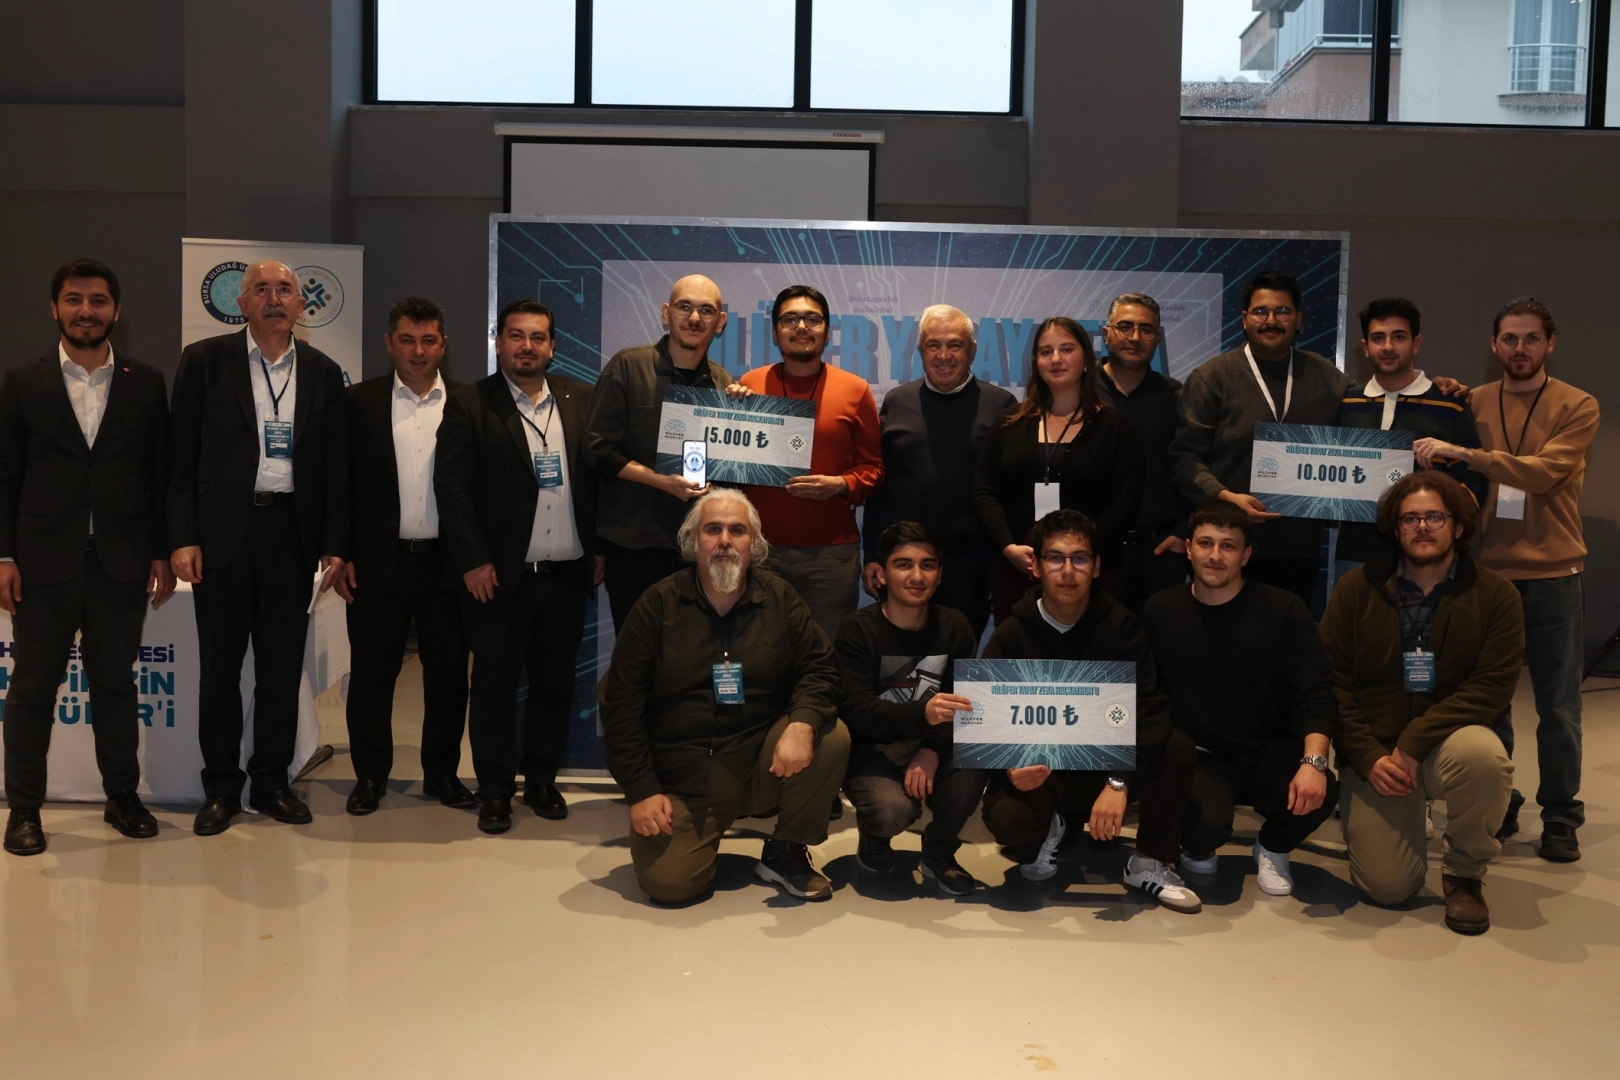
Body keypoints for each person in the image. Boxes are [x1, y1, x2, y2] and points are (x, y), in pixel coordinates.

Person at [1413, 297, 1598, 863]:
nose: (1520, 348)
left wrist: (1468, 453)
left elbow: (1542, 473)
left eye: (1531, 338)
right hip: (1486, 575)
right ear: (1494, 345)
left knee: (1558, 706)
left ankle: (1561, 814)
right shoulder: (1473, 399)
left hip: (1554, 574)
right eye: (1510, 339)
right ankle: (1502, 800)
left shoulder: (1578, 405)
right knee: (1488, 702)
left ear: (1550, 343)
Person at [168, 259, 350, 836]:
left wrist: (335, 543)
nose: (275, 298)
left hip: (291, 537)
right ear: (242, 303)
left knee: (280, 670)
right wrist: (182, 536)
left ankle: (271, 783)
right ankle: (221, 789)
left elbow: (335, 467)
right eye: (262, 289)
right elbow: (179, 457)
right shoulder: (205, 361)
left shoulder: (323, 371)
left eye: (285, 290)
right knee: (220, 670)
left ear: (301, 305)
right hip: (221, 534)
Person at [599, 489, 850, 904]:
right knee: (670, 887)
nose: (725, 541)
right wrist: (641, 791)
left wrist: (802, 725)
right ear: (692, 541)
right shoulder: (657, 604)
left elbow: (820, 668)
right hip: (683, 775)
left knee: (830, 734)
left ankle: (786, 850)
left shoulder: (781, 598)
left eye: (738, 530)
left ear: (755, 543)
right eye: (712, 529)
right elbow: (621, 704)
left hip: (759, 764)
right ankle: (692, 839)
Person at [0, 259, 174, 856]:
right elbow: (6, 474)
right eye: (74, 300)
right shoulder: (21, 380)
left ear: (116, 311)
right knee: (31, 690)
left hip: (121, 563)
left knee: (115, 686)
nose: (86, 311)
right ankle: (24, 808)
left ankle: (122, 797)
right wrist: (4, 556)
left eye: (98, 301)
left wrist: (160, 552)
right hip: (42, 565)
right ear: (54, 308)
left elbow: (159, 475)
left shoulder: (146, 381)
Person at [1321, 472, 1521, 934]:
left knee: (1485, 758)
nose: (1423, 527)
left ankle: (1464, 875)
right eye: (1410, 518)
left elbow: (1492, 685)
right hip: (1376, 756)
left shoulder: (1497, 595)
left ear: (1458, 526)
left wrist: (1414, 743)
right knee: (1388, 888)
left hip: (1447, 746)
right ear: (1395, 529)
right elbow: (1331, 682)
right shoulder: (1356, 589)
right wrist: (1367, 756)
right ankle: (1400, 813)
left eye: (1435, 516)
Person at [979, 509, 1201, 913]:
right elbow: (985, 717)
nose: (1068, 571)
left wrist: (1120, 782)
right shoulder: (1013, 632)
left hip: (1105, 767)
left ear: (1097, 567)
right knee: (1010, 820)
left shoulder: (1123, 627)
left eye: (1079, 558)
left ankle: (1148, 863)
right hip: (1044, 770)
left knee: (1177, 747)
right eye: (1055, 558)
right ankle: (1054, 826)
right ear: (1036, 567)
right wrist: (1009, 765)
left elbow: (1149, 711)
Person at [434, 299, 599, 834]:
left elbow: (596, 481)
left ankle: (542, 780)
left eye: (538, 337)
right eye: (516, 336)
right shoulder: (470, 402)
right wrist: (473, 560)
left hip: (565, 574)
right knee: (494, 688)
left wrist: (598, 547)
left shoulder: (580, 399)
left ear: (553, 346)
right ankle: (495, 789)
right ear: (499, 341)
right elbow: (452, 489)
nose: (527, 346)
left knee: (554, 684)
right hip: (497, 578)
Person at [1140, 502, 1338, 897]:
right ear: (1188, 548)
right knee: (1203, 830)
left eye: (1228, 546)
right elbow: (1147, 696)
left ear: (1246, 555)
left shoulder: (1283, 609)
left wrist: (1314, 762)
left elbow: (1316, 690)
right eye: (1206, 543)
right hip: (1200, 756)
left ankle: (1273, 846)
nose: (1215, 555)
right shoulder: (1161, 610)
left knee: (1323, 790)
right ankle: (1198, 844)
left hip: (1269, 749)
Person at [336, 297, 471, 815]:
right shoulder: (358, 402)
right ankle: (370, 777)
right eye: (408, 340)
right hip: (377, 563)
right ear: (389, 343)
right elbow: (339, 484)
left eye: (428, 340)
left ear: (444, 345)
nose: (418, 351)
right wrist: (339, 553)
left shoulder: (468, 402)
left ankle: (442, 775)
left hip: (448, 565)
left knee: (448, 677)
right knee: (372, 676)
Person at [1170, 271, 1352, 609]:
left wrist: (1435, 387)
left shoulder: (1329, 380)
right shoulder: (1211, 378)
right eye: (1260, 312)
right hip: (1225, 543)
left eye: (1282, 311)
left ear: (1298, 320)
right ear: (1244, 320)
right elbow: (1185, 458)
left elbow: (1372, 416)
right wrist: (1224, 497)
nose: (1271, 321)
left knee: (1284, 636)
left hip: (1298, 548)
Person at [835, 521, 986, 894]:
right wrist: (923, 714)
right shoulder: (857, 629)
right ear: (881, 574)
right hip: (874, 747)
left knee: (977, 760)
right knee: (891, 812)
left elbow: (964, 705)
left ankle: (939, 851)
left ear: (939, 575)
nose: (917, 576)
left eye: (927, 565)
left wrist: (930, 748)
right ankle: (875, 834)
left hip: (933, 742)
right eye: (903, 565)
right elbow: (855, 710)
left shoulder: (955, 627)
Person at [584, 275, 734, 630]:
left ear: (720, 322)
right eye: (684, 307)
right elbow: (596, 449)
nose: (694, 317)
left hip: (698, 550)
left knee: (693, 652)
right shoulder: (628, 366)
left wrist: (745, 415)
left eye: (706, 310)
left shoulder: (725, 385)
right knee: (638, 651)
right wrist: (660, 481)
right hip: (635, 546)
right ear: (667, 314)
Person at [973, 317, 1144, 626]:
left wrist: (1080, 556)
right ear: (1035, 361)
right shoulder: (1008, 422)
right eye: (1045, 351)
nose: (1055, 359)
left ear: (1086, 358)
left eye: (1066, 349)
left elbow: (1125, 500)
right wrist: (1008, 547)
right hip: (1017, 568)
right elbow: (985, 491)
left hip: (1088, 574)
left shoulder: (1116, 427)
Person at [737, 285, 883, 641]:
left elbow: (874, 467)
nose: (801, 326)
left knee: (825, 654)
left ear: (826, 332)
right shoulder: (749, 385)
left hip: (831, 557)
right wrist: (730, 410)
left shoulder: (855, 390)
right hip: (761, 550)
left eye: (812, 319)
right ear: (775, 333)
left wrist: (840, 485)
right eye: (789, 319)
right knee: (762, 652)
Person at [860, 305, 1015, 637]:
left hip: (972, 566)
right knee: (901, 657)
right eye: (933, 345)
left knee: (958, 656)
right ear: (921, 350)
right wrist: (872, 555)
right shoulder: (897, 401)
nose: (943, 355)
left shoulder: (1001, 406)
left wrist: (1001, 566)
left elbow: (1010, 492)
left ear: (972, 350)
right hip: (903, 562)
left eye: (955, 344)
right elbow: (880, 487)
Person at [1336, 297, 1485, 566]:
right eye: (1378, 338)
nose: (1388, 346)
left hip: (1430, 557)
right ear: (1365, 348)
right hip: (1356, 555)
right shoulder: (1346, 403)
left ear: (1416, 344)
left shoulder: (1451, 404)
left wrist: (1443, 519)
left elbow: (1476, 477)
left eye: (1399, 337)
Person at [1096, 292, 1187, 611]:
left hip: (1159, 551)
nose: (1135, 337)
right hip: (1091, 552)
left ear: (1157, 339)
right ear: (1106, 334)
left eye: (1146, 329)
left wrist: (1183, 531)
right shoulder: (1078, 391)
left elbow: (1192, 469)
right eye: (1125, 326)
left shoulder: (1176, 396)